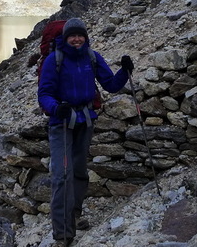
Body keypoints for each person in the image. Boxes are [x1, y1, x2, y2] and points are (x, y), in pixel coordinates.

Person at [37, 18, 134, 246]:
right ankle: (62, 235)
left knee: (79, 171)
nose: (77, 39)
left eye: (80, 35)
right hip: (61, 123)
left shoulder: (92, 56)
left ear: (85, 37)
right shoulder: (54, 60)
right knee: (62, 175)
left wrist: (125, 70)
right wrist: (55, 108)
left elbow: (109, 84)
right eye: (72, 36)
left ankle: (74, 213)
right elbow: (44, 94)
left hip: (85, 120)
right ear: (65, 37)